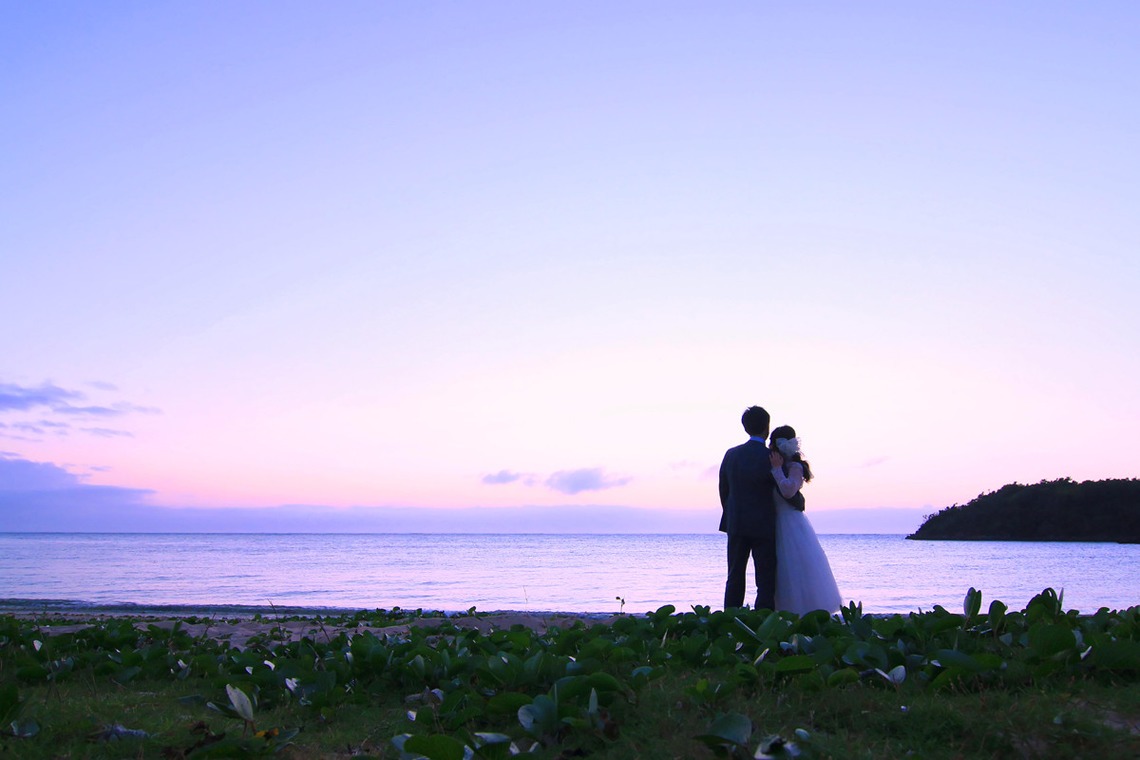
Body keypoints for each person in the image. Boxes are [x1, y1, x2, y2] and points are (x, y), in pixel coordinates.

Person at [768, 425, 843, 615]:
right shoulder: (774, 464)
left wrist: (777, 470)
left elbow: (788, 490)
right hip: (775, 522)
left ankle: (804, 611)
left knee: (797, 567)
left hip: (791, 523)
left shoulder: (795, 467)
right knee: (780, 572)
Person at [719, 406, 779, 609]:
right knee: (765, 578)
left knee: (734, 575)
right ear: (767, 427)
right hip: (764, 524)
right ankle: (763, 620)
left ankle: (730, 618)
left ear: (745, 427)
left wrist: (731, 512)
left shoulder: (731, 454)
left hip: (736, 522)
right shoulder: (772, 457)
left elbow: (723, 489)